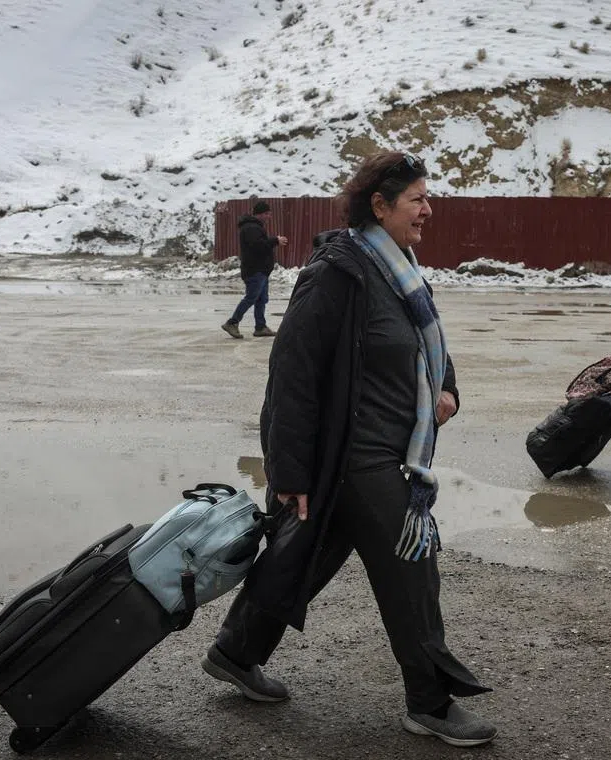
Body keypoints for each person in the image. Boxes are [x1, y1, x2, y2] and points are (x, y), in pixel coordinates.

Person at [201, 151, 496, 747]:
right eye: (417, 199)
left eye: (426, 197)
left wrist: (448, 388)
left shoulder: (402, 270)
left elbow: (426, 343)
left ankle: (236, 652)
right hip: (358, 455)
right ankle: (430, 703)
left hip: (390, 451)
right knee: (413, 569)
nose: (428, 210)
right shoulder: (339, 273)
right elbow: (292, 372)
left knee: (301, 556)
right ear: (380, 206)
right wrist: (289, 470)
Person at [222, 200, 288, 339]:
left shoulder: (254, 227)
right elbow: (258, 246)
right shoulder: (251, 228)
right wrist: (275, 240)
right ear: (261, 214)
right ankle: (232, 322)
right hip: (255, 270)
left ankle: (260, 327)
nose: (269, 216)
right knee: (251, 298)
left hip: (260, 270)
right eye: (267, 214)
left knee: (261, 299)